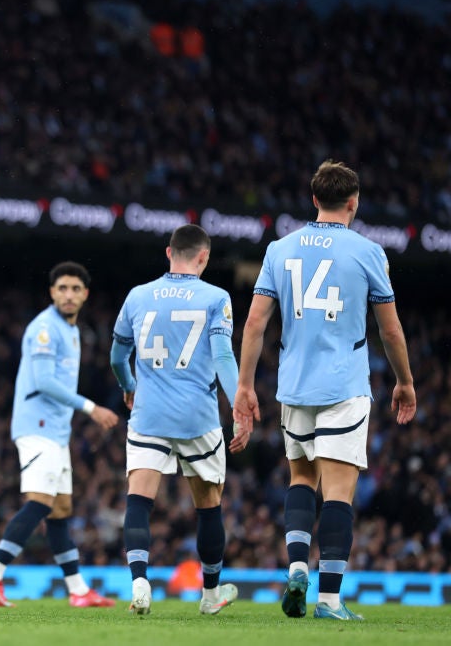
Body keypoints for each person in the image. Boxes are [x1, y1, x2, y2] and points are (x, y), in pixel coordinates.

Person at [234, 160, 416, 621]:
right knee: (338, 492)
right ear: (353, 202)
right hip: (344, 385)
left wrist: (244, 385)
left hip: (293, 385)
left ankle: (297, 568)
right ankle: (329, 600)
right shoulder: (369, 252)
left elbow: (255, 322)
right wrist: (405, 381)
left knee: (300, 479)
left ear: (314, 200)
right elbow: (390, 331)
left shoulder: (280, 249)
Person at [109, 224, 241, 616]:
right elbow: (221, 358)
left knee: (138, 499)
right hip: (197, 419)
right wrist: (239, 406)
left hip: (148, 414)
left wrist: (128, 385)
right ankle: (210, 594)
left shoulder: (137, 296)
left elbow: (117, 357)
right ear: (204, 257)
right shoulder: (216, 297)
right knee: (208, 506)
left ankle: (139, 583)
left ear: (169, 253)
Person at [0, 262, 118, 609]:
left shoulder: (73, 331)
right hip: (37, 427)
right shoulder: (44, 328)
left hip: (55, 430)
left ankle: (78, 589)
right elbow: (44, 382)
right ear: (52, 292)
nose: (69, 295)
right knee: (40, 501)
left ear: (85, 294)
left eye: (75, 289)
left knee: (60, 508)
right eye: (62, 288)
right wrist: (91, 408)